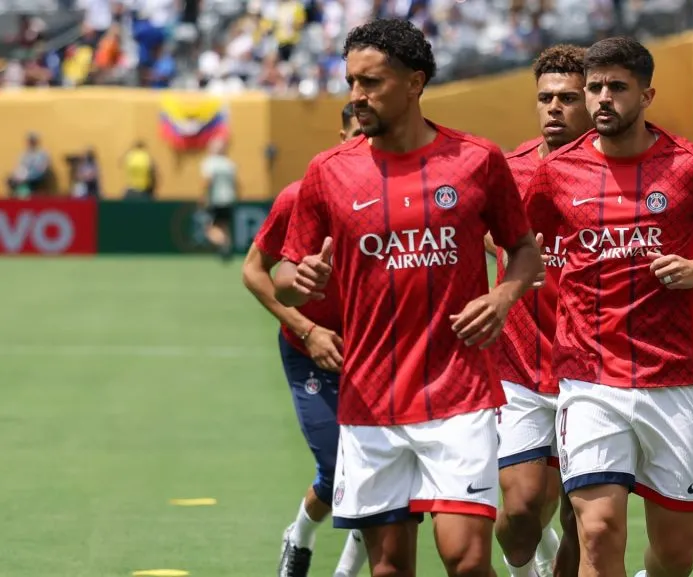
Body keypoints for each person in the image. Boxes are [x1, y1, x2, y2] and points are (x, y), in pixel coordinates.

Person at [273, 18, 542, 577]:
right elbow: (281, 271)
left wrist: (504, 297)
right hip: (369, 400)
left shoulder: (476, 160)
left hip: (459, 396)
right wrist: (296, 281)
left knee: (467, 561)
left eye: (371, 83)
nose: (357, 97)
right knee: (390, 568)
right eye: (351, 82)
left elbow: (523, 249)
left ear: (415, 82)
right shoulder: (328, 172)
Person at [523, 37, 693, 577]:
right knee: (599, 532)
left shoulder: (692, 166)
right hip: (589, 378)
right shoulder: (556, 172)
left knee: (676, 556)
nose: (603, 98)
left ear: (647, 94)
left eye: (617, 87)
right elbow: (521, 245)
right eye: (595, 88)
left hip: (675, 379)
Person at [242, 102, 366, 577]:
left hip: (374, 353)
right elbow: (254, 271)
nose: (364, 145)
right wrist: (307, 328)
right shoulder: (299, 198)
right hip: (308, 352)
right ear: (341, 134)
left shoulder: (400, 198)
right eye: (355, 133)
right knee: (338, 470)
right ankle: (300, 536)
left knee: (378, 474)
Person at [487, 45, 591, 577]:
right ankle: (526, 569)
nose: (553, 107)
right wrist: (516, 261)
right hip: (521, 369)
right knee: (523, 509)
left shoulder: (615, 168)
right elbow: (484, 229)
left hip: (594, 370)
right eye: (545, 98)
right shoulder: (509, 168)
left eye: (567, 98)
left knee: (584, 518)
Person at [200, 137, 239, 262]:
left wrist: (204, 196)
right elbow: (235, 184)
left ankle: (223, 244)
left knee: (209, 229)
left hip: (216, 199)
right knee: (224, 225)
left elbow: (208, 181)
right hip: (229, 199)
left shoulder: (209, 163)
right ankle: (226, 249)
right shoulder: (229, 164)